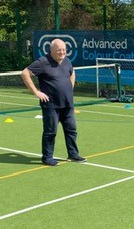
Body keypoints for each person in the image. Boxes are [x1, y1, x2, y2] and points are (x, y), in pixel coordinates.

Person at [21, 38, 87, 166]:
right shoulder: (42, 62)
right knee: (50, 131)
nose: (62, 52)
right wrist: (36, 92)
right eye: (59, 50)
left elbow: (72, 73)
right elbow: (25, 73)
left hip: (67, 104)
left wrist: (70, 87)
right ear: (51, 51)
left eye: (64, 50)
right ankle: (47, 157)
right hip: (51, 105)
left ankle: (73, 154)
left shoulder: (67, 61)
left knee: (71, 130)